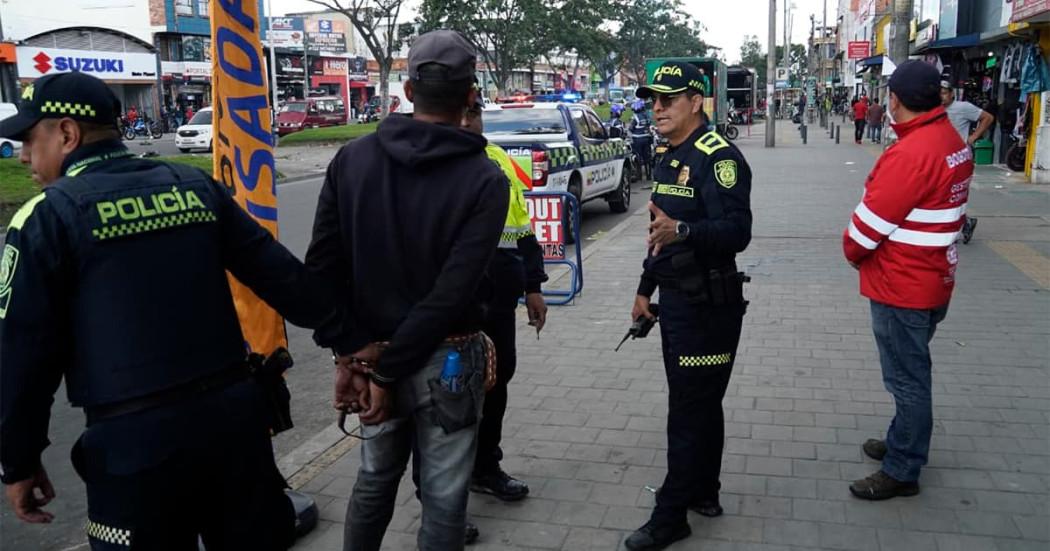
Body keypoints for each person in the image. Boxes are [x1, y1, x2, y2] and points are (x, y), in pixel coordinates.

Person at [0, 72, 341, 549]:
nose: (23, 155)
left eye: (29, 139)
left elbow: (22, 358)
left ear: (67, 134)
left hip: (135, 450)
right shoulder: (194, 186)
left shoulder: (46, 217)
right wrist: (353, 345)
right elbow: (286, 280)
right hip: (235, 430)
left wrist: (18, 461)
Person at [304, 30, 509, 551]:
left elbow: (320, 271)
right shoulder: (485, 178)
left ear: (408, 90)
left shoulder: (353, 160)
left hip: (373, 354)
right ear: (470, 95)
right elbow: (451, 293)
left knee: (374, 480)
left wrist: (354, 355)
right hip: (446, 358)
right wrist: (383, 368)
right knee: (443, 498)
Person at [625, 60, 753, 551]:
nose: (656, 108)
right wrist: (644, 289)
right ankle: (705, 489)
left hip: (708, 310)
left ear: (695, 102)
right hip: (675, 301)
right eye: (652, 100)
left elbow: (737, 232)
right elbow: (660, 231)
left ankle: (670, 514)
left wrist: (685, 231)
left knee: (688, 410)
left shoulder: (718, 158)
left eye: (668, 99)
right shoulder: (667, 155)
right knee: (700, 403)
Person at [843, 60, 974, 501]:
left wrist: (852, 251)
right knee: (910, 372)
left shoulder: (912, 153)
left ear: (893, 99)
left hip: (904, 285)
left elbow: (863, 232)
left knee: (907, 379)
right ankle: (902, 441)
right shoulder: (950, 141)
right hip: (934, 277)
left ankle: (903, 468)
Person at [940, 81, 994, 244]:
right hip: (941, 158)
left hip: (960, 158)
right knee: (943, 194)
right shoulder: (934, 110)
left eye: (944, 92)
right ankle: (965, 223)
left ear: (951, 94)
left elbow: (987, 117)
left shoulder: (963, 107)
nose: (941, 96)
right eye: (938, 92)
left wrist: (973, 137)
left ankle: (953, 230)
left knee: (952, 193)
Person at [629, 98, 654, 180]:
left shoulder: (635, 117)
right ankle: (648, 175)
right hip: (647, 138)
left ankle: (639, 176)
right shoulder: (647, 116)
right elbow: (649, 125)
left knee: (638, 156)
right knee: (647, 157)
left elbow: (631, 128)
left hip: (637, 140)